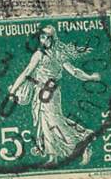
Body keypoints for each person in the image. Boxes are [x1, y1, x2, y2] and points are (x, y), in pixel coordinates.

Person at [8, 25, 101, 165]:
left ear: (53, 38)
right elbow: (26, 72)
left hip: (51, 93)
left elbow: (74, 71)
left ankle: (83, 143)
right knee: (45, 123)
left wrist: (90, 77)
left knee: (55, 122)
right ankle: (52, 157)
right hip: (40, 93)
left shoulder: (57, 55)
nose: (43, 40)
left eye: (46, 37)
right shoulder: (39, 54)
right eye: (42, 37)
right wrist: (13, 90)